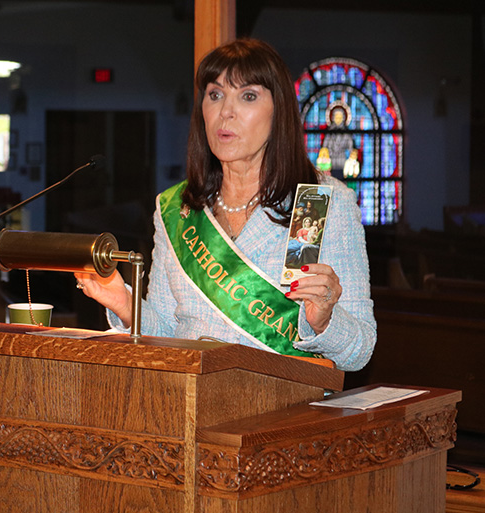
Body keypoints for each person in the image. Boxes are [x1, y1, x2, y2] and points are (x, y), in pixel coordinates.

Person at [75, 39, 375, 371]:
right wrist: (124, 301)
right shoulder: (178, 207)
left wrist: (324, 321)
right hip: (191, 399)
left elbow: (359, 353)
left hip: (282, 405)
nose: (225, 113)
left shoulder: (316, 202)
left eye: (248, 96)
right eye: (215, 95)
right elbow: (166, 334)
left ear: (279, 110)